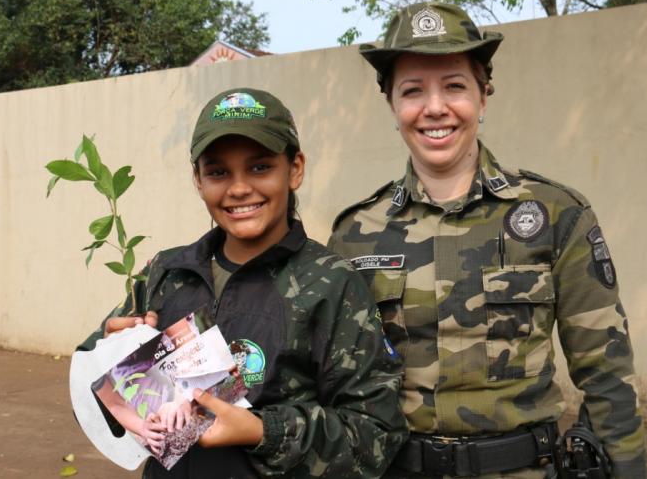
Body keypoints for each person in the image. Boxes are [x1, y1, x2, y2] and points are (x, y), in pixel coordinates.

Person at [327, 2, 647, 478]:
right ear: (392, 105)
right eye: (412, 91)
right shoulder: (354, 234)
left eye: (454, 86)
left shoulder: (555, 214)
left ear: (484, 94)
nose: (435, 108)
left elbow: (607, 374)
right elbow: (339, 384)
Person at [79, 87, 408, 478]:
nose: (238, 188)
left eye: (259, 167)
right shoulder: (166, 273)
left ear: (295, 168)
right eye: (218, 171)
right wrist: (110, 351)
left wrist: (261, 432)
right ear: (198, 179)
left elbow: (375, 436)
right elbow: (90, 390)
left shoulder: (331, 285)